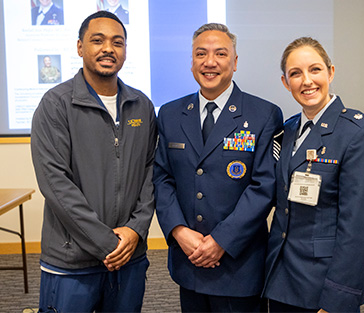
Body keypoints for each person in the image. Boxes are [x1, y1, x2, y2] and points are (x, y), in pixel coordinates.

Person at [31, 11, 157, 312]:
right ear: (79, 47)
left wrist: (135, 230)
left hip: (129, 256)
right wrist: (106, 243)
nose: (108, 49)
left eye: (117, 42)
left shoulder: (141, 105)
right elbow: (55, 183)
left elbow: (152, 172)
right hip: (72, 260)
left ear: (125, 50)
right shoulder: (55, 104)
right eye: (97, 41)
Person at [153, 23, 283, 312]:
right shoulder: (171, 114)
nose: (209, 62)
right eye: (201, 54)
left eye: (220, 54)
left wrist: (221, 240)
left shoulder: (264, 114)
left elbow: (264, 187)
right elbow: (162, 178)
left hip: (239, 262)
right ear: (191, 62)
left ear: (235, 62)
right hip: (189, 259)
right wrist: (177, 230)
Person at [262, 37, 364, 313]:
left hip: (324, 282)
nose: (307, 81)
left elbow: (358, 227)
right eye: (295, 73)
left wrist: (337, 297)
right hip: (281, 275)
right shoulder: (287, 130)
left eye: (315, 70)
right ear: (285, 82)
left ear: (331, 72)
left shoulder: (357, 132)